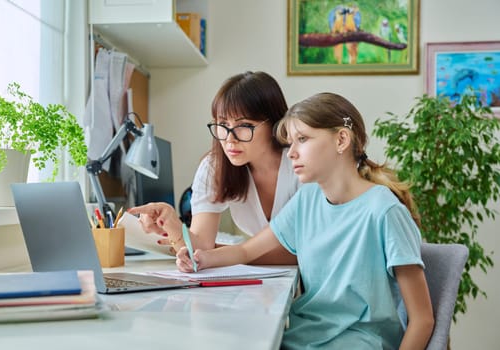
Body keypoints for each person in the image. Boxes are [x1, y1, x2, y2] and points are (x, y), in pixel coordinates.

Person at [174, 92, 434, 349]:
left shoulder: (384, 211)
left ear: (341, 139)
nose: (291, 153)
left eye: (302, 139)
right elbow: (246, 250)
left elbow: (422, 320)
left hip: (360, 340)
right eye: (291, 141)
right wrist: (202, 259)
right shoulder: (307, 198)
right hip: (304, 334)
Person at [128, 71, 300, 264]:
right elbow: (202, 245)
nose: (229, 138)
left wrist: (224, 253)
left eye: (244, 125)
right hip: (277, 279)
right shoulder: (214, 167)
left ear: (275, 124)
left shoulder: (300, 165)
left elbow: (304, 254)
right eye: (223, 123)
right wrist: (173, 225)